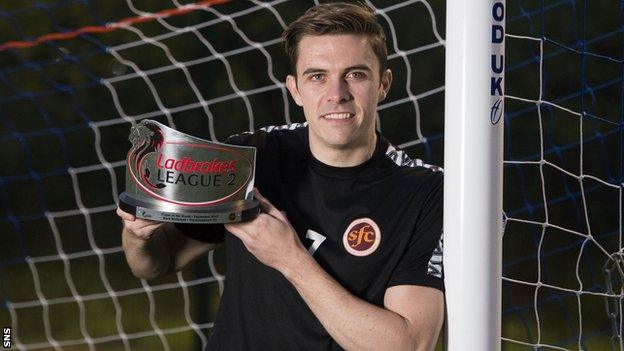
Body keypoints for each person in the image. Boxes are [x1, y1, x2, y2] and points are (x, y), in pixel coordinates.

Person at [117, 2, 444, 350]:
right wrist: (139, 236)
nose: (337, 94)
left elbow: (409, 345)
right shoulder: (252, 157)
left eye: (356, 74)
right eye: (317, 76)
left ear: (383, 84)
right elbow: (157, 262)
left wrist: (290, 258)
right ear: (295, 89)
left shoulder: (426, 192)